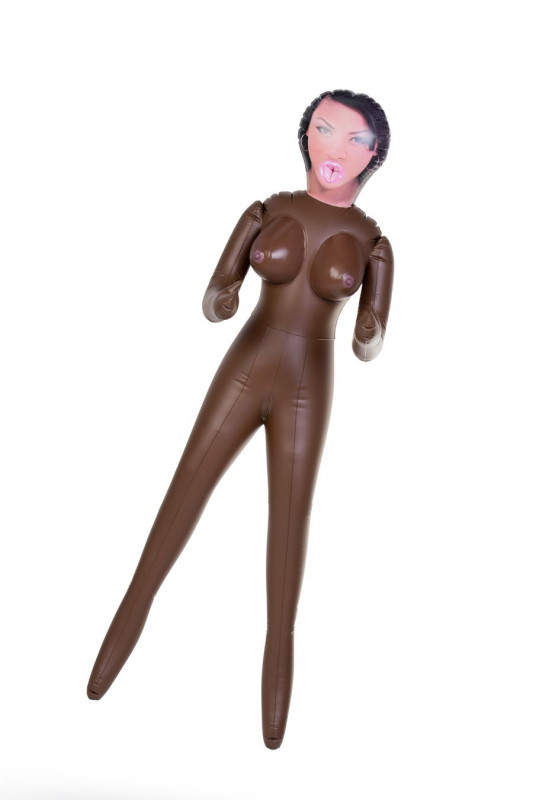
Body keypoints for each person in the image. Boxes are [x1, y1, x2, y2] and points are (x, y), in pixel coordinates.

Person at [87, 89, 394, 749]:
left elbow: (369, 345)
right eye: (324, 129)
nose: (334, 148)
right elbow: (213, 296)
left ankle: (277, 675)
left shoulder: (373, 243)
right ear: (305, 135)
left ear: (374, 155)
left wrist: (368, 330)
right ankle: (124, 625)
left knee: (290, 525)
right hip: (244, 367)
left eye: (354, 139)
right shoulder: (267, 211)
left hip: (309, 386)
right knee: (182, 497)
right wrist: (222, 296)